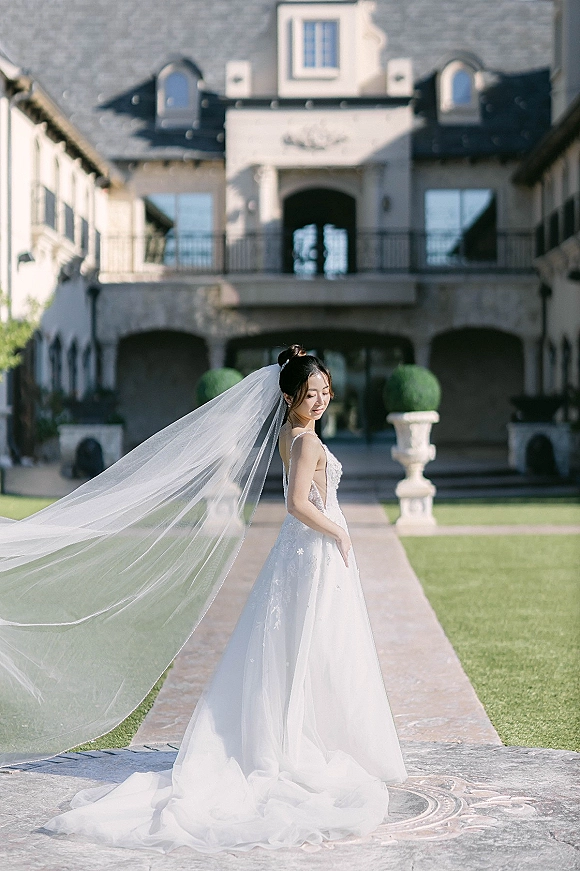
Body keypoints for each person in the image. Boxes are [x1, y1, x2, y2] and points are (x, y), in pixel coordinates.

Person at [42, 344, 407, 853]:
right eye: (310, 394)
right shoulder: (303, 443)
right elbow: (300, 505)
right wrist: (341, 534)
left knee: (309, 644)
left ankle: (305, 732)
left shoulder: (291, 433)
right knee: (311, 645)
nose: (320, 400)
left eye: (325, 391)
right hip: (314, 547)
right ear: (288, 396)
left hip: (302, 553)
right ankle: (300, 743)